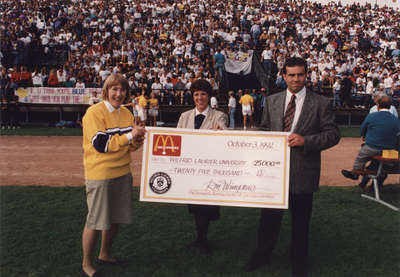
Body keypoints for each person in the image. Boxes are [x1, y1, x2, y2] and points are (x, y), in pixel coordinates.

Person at [244, 57, 341, 277]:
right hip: (272, 174)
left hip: (303, 172)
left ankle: (299, 262)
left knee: (301, 222)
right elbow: (265, 130)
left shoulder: (321, 103)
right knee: (268, 220)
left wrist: (306, 141)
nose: (296, 79)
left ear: (306, 75)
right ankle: (262, 255)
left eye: (300, 74)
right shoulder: (272, 101)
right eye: (291, 74)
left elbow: (333, 134)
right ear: (284, 75)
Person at [81, 73, 145, 277]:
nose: (118, 94)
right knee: (95, 220)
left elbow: (130, 146)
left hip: (123, 171)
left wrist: (137, 139)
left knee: (115, 218)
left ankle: (105, 254)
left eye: (122, 90)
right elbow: (101, 144)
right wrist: (129, 136)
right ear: (106, 91)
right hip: (100, 173)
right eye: (114, 89)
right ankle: (86, 265)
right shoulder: (94, 112)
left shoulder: (127, 113)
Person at [176, 79, 227, 254]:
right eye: (196, 94)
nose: (199, 98)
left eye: (203, 94)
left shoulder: (218, 116)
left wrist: (221, 133)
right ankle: (200, 239)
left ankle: (202, 240)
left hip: (209, 168)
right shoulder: (185, 117)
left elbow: (224, 135)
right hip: (190, 168)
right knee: (195, 206)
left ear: (209, 96)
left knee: (205, 206)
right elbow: (177, 140)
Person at [341, 95, 400, 184]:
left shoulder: (372, 116)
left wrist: (364, 135)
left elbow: (363, 129)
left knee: (361, 157)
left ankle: (355, 173)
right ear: (390, 106)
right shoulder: (395, 120)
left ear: (378, 106)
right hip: (388, 149)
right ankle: (373, 180)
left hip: (372, 147)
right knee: (380, 162)